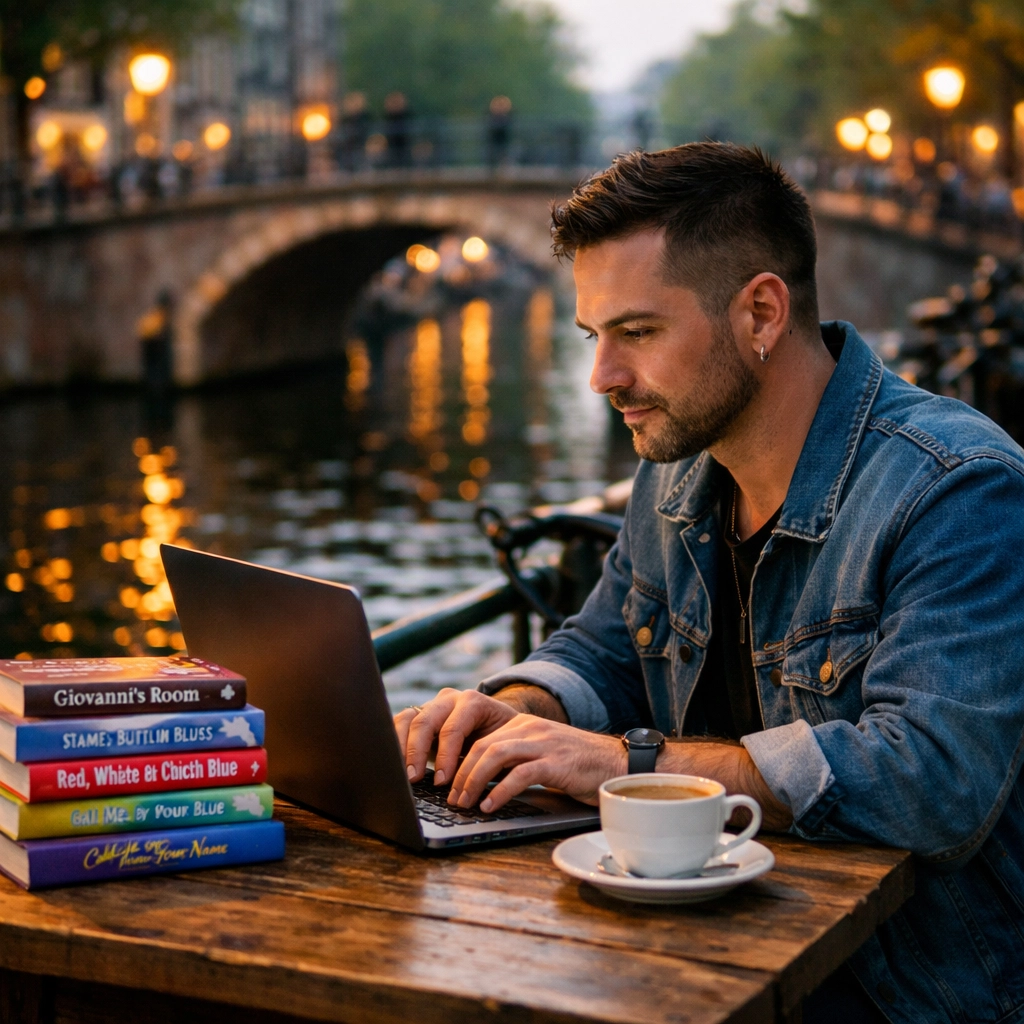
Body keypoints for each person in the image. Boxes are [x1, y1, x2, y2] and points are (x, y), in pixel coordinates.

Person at [395, 143, 1024, 1023]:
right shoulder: (682, 457)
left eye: (637, 333)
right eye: (593, 336)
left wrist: (630, 765)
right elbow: (609, 643)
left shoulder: (959, 488)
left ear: (761, 313)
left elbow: (931, 779)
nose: (603, 378)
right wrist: (512, 709)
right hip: (709, 957)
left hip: (908, 992)